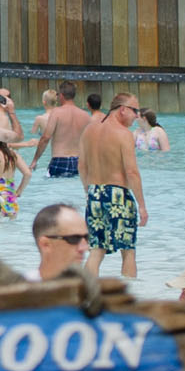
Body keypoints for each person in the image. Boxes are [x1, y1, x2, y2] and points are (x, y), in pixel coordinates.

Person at [81, 95, 148, 283]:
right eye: (135, 110)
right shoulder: (123, 134)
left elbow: (82, 166)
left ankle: (86, 296)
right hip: (118, 195)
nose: (137, 116)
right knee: (128, 251)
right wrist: (142, 206)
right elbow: (132, 172)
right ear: (122, 109)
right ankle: (128, 301)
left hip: (94, 193)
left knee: (96, 251)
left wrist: (88, 191)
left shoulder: (89, 130)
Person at [31, 80, 94, 180]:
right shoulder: (85, 115)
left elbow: (45, 138)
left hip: (60, 159)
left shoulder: (56, 112)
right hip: (79, 161)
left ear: (61, 95)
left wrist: (35, 160)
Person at [24, 202, 92, 281]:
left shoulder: (90, 288)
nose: (84, 248)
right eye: (74, 239)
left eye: (87, 238)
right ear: (45, 244)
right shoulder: (20, 288)